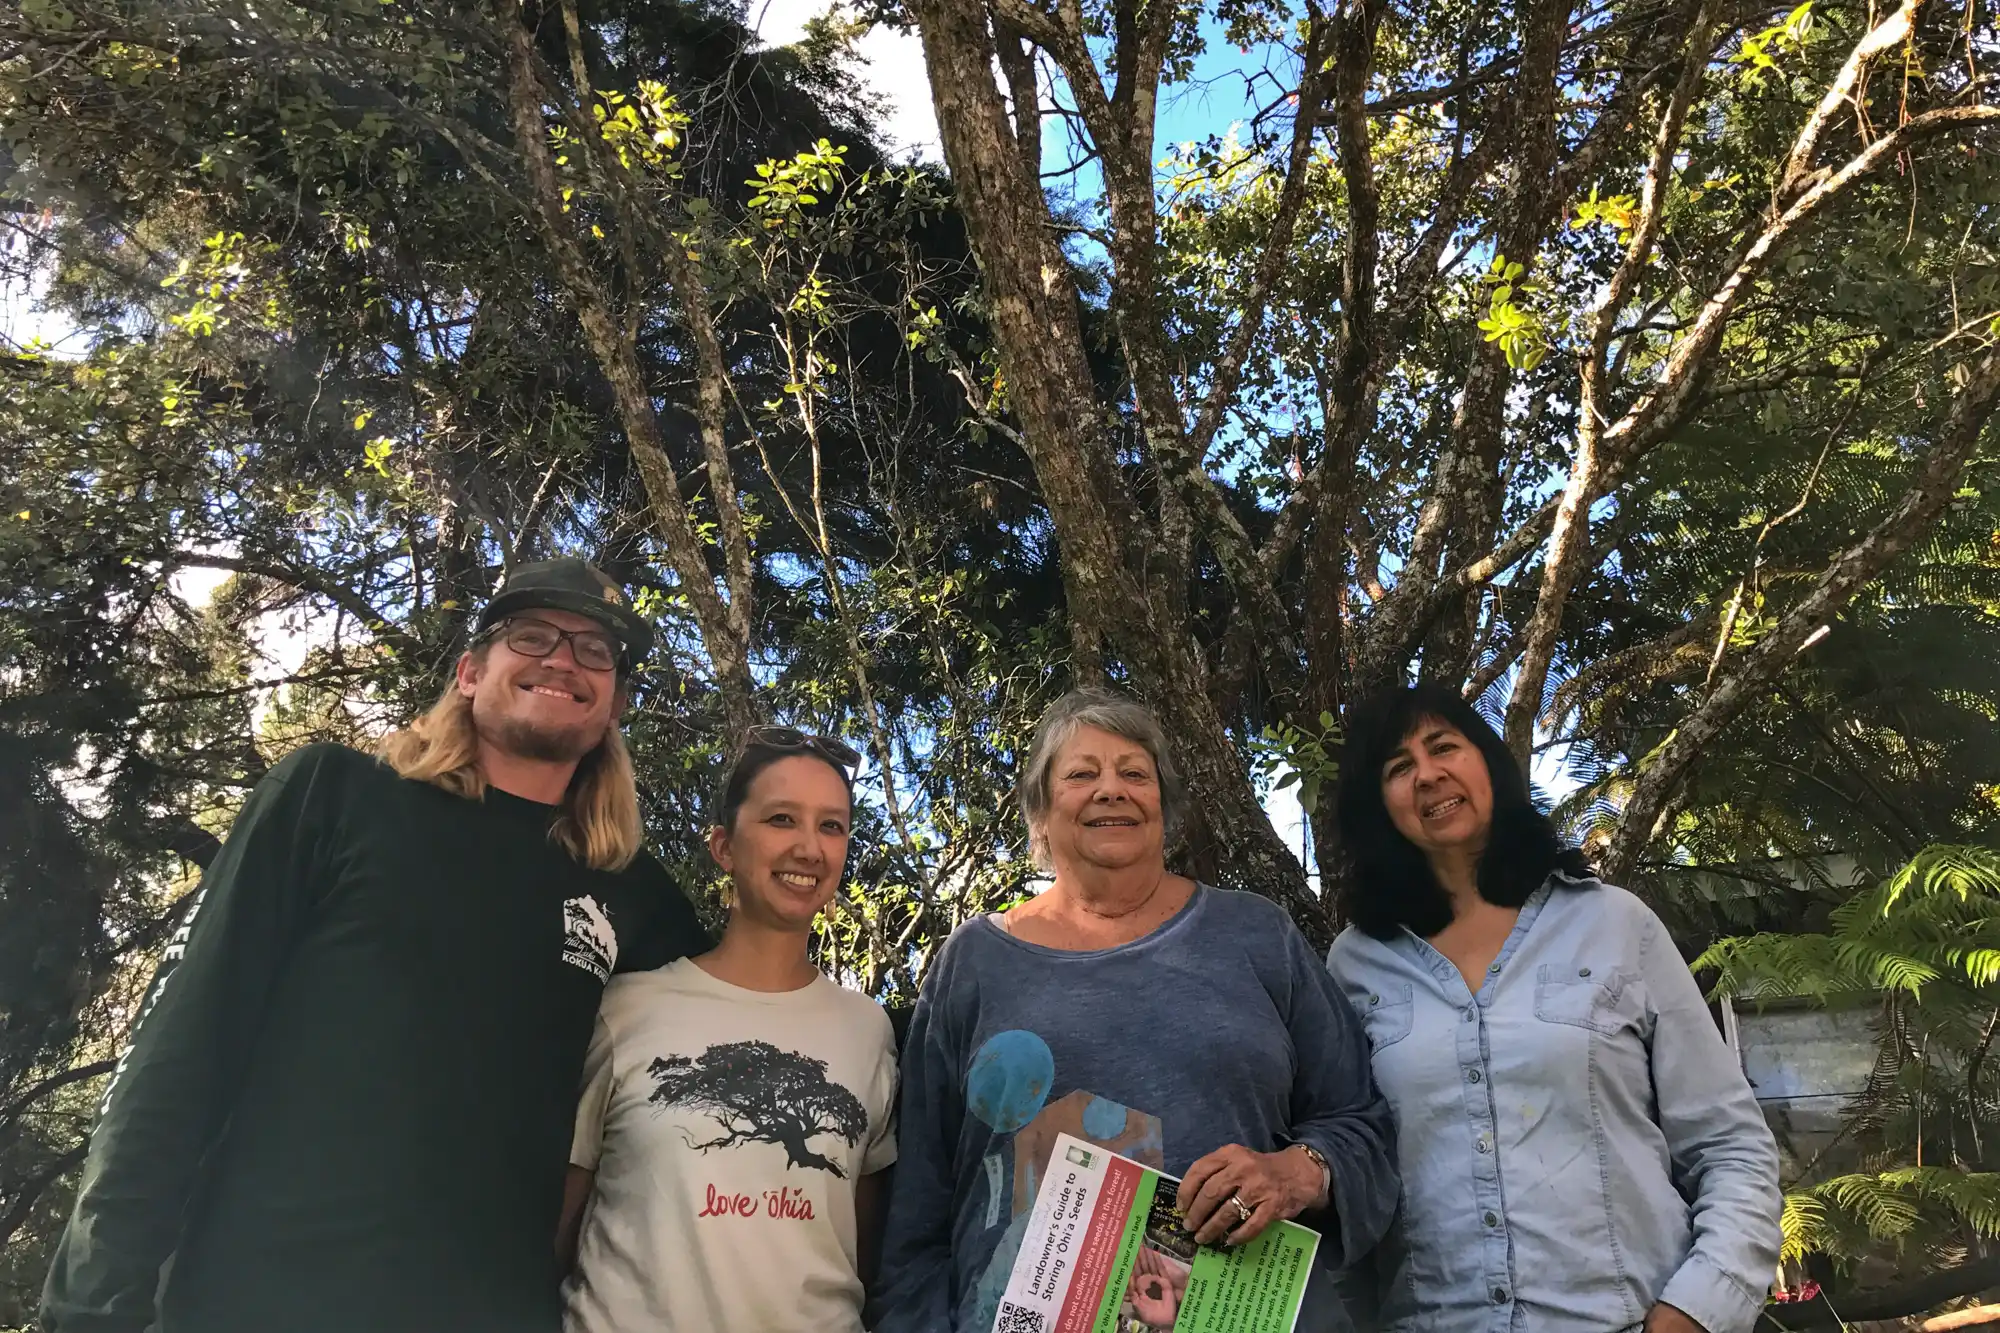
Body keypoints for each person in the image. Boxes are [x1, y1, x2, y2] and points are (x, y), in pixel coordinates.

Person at [42, 558, 710, 1333]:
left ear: (616, 703)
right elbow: (179, 1052)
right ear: (468, 670)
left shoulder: (637, 897)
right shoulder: (332, 797)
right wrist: (94, 1306)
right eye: (533, 636)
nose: (562, 659)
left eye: (596, 651)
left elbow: (725, 1041)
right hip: (261, 1299)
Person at [871, 687, 1399, 1332]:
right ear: (1039, 812)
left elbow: (1362, 1122)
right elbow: (919, 1200)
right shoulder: (974, 962)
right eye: (1081, 774)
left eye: (1133, 774)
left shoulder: (1257, 935)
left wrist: (1296, 1173)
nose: (1111, 790)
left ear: (1163, 807)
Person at [1325, 682, 1781, 1333]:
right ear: (1379, 805)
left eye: (1443, 746)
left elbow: (1730, 1143)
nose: (1428, 775)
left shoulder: (1614, 923)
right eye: (1399, 768)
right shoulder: (1354, 962)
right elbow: (1345, 1160)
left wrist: (1696, 1309)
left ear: (1488, 762)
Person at [556, 727, 898, 1333]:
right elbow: (560, 1224)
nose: (809, 848)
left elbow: (864, 1250)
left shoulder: (867, 1030)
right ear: (724, 846)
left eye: (832, 826)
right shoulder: (628, 1007)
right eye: (781, 819)